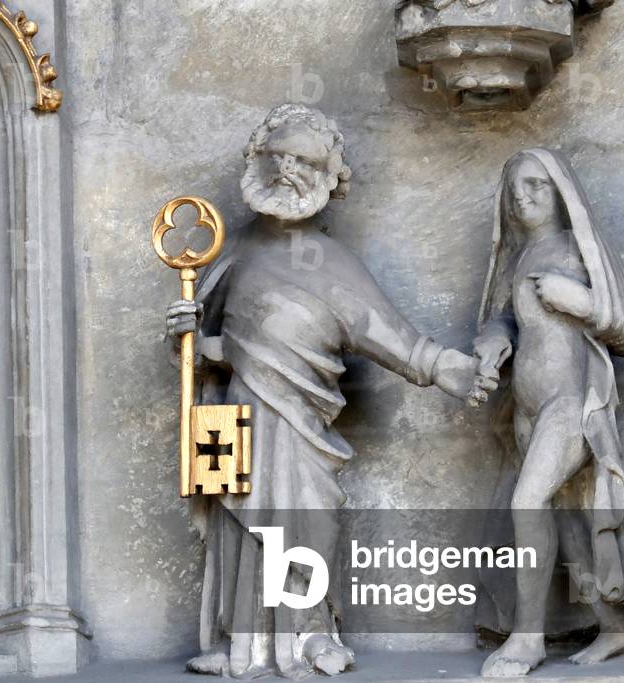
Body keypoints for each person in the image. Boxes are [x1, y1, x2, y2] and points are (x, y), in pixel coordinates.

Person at [165, 103, 489, 678]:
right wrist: (188, 338)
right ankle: (243, 643)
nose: (288, 168)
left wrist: (448, 368)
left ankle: (313, 633)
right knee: (237, 525)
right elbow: (207, 351)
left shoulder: (334, 263)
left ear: (330, 175)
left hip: (301, 422)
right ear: (255, 161)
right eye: (277, 155)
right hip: (235, 413)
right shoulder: (230, 254)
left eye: (306, 159)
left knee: (308, 516)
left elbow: (394, 337)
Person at [473, 148, 624, 677]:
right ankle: (617, 629)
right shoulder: (521, 255)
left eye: (537, 186)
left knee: (528, 503)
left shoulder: (577, 249)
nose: (524, 197)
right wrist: (493, 340)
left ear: (561, 192)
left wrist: (581, 302)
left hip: (572, 403)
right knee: (571, 524)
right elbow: (506, 318)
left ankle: (527, 640)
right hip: (528, 408)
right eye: (515, 188)